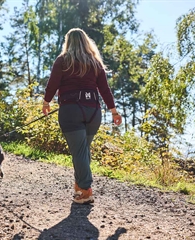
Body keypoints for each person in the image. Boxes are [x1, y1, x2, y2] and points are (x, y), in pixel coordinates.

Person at [42, 28, 122, 204]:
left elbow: (53, 84)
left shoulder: (63, 60)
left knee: (79, 152)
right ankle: (79, 188)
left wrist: (46, 102)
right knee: (83, 151)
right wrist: (114, 111)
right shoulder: (95, 62)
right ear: (86, 42)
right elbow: (105, 89)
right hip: (93, 111)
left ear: (68, 42)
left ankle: (86, 191)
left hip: (71, 111)